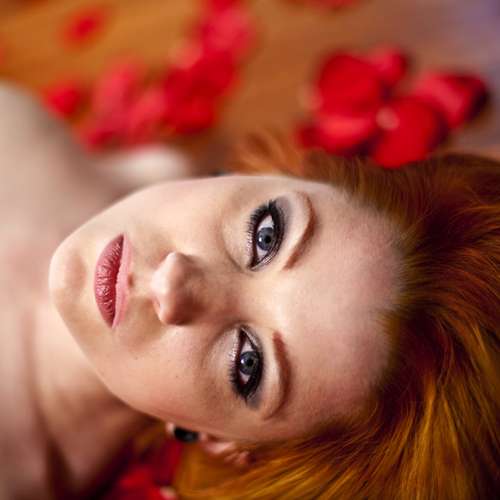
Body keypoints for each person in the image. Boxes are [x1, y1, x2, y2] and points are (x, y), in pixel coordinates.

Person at [1, 82, 498, 499]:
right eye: (266, 234)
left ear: (225, 444)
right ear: (268, 177)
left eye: (247, 363)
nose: (175, 282)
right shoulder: (32, 136)